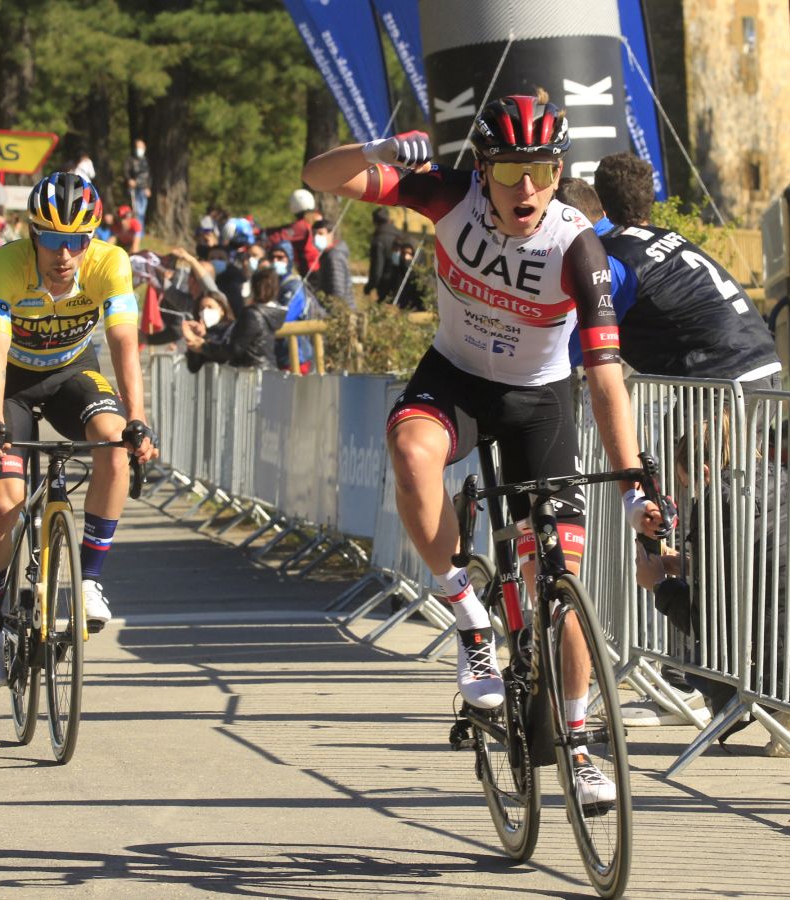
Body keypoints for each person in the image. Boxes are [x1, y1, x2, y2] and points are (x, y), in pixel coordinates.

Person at [303, 94, 666, 807]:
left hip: (540, 402)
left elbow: (602, 378)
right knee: (410, 455)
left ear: (558, 171)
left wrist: (631, 485)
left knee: (557, 586)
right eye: (507, 171)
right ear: (482, 167)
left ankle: (580, 740)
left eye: (539, 170)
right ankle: (468, 618)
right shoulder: (448, 193)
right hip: (456, 378)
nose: (524, 188)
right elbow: (321, 174)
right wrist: (384, 150)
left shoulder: (577, 246)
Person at [0, 171, 158, 687]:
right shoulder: (3, 264)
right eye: (52, 239)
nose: (65, 254)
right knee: (6, 502)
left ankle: (89, 580)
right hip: (10, 382)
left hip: (74, 371)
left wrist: (137, 419)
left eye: (78, 240)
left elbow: (123, 343)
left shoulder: (111, 263)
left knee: (114, 445)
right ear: (33, 233)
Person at [633, 417, 790, 756]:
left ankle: (783, 709)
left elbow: (709, 618)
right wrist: (688, 566)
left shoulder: (719, 501)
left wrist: (658, 584)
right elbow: (763, 565)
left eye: (686, 483)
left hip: (785, 651)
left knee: (704, 655)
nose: (689, 493)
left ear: (703, 470)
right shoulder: (783, 478)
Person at [575, 154, 783, 389]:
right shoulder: (669, 238)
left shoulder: (621, 260)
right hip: (764, 366)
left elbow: (584, 340)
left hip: (725, 379)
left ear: (601, 204)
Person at [263, 189, 320, 276]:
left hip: (309, 271)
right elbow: (284, 229)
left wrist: (262, 234)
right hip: (312, 268)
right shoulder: (307, 222)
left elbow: (280, 236)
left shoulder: (301, 226)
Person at [180, 291, 237, 373]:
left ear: (222, 310)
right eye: (202, 308)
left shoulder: (232, 328)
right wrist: (195, 338)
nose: (205, 311)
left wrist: (204, 338)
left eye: (210, 307)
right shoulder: (202, 331)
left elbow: (222, 354)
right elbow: (193, 366)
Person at [307, 219, 352, 307]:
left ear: (330, 234)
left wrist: (332, 312)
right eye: (314, 234)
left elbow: (337, 292)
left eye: (320, 233)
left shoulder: (334, 257)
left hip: (341, 312)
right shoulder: (326, 256)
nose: (316, 237)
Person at [364, 206, 403, 301]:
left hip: (386, 287)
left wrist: (369, 287)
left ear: (374, 222)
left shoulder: (378, 240)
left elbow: (377, 270)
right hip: (403, 285)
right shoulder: (401, 235)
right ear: (389, 219)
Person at [381, 239, 425, 310]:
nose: (405, 257)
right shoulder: (396, 272)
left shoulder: (421, 279)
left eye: (409, 254)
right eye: (403, 253)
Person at [124, 139, 151, 224]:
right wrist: (129, 180)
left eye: (141, 147)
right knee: (134, 211)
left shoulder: (146, 161)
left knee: (141, 212)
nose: (139, 149)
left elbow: (149, 176)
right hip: (133, 189)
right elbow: (126, 172)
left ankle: (139, 232)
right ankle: (134, 232)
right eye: (137, 147)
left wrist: (148, 187)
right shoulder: (130, 160)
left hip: (143, 189)